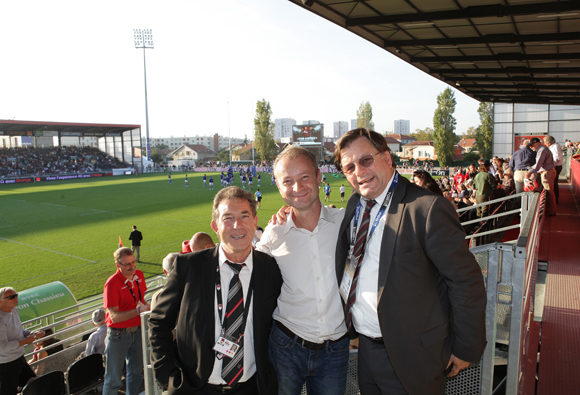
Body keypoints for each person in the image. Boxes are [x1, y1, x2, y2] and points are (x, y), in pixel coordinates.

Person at [333, 128, 486, 395]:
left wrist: (465, 347)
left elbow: (465, 281)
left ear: (388, 158)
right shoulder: (356, 204)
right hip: (367, 349)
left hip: (413, 354)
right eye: (349, 167)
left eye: (366, 160)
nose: (358, 171)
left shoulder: (427, 208)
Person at [149, 186, 283, 395]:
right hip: (195, 388)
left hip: (252, 387)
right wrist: (167, 376)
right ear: (215, 226)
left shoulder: (270, 268)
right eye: (227, 218)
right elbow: (159, 322)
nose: (237, 225)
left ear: (255, 222)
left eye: (244, 216)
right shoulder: (188, 267)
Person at [256, 146, 349, 395]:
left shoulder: (344, 222)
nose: (297, 187)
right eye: (288, 181)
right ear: (278, 186)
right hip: (285, 346)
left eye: (305, 177)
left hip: (336, 349)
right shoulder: (273, 234)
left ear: (319, 177)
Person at [102, 247, 150, 395]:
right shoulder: (112, 283)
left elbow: (141, 301)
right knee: (113, 380)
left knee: (136, 373)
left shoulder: (140, 275)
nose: (132, 266)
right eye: (127, 264)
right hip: (118, 335)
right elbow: (114, 316)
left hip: (138, 330)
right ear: (118, 265)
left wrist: (148, 306)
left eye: (133, 262)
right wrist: (138, 311)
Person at [0, 287, 44, 395]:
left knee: (36, 385)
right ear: (1, 301)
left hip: (19, 358)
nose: (15, 298)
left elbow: (18, 329)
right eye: (11, 297)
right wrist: (25, 341)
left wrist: (30, 334)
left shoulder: (13, 309)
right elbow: (2, 347)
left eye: (16, 295)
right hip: (6, 365)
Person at [525, 137, 557, 216]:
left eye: (532, 145)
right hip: (548, 171)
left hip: (547, 172)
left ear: (537, 143)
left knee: (549, 192)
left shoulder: (542, 150)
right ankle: (551, 210)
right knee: (548, 191)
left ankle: (551, 211)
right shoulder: (542, 149)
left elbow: (538, 164)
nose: (531, 147)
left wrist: (530, 171)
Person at [544, 135, 563, 203]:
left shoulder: (555, 147)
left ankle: (555, 199)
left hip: (555, 167)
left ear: (549, 143)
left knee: (554, 183)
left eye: (545, 142)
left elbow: (556, 159)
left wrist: (550, 165)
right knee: (554, 183)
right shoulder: (555, 146)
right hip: (556, 166)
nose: (544, 144)